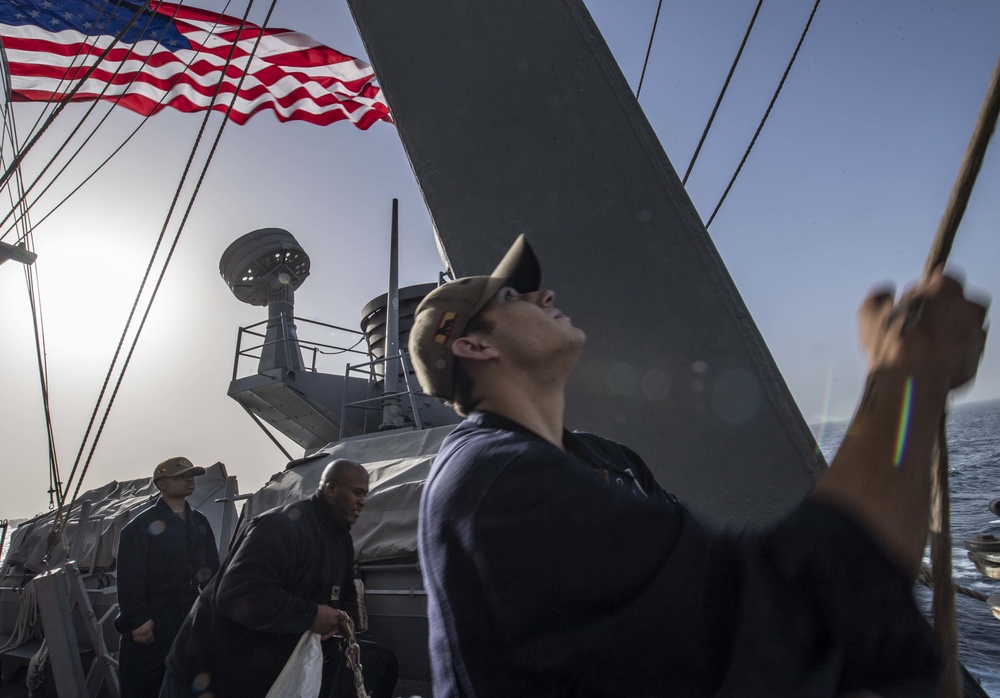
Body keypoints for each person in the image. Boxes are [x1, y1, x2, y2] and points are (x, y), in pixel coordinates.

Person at [407, 234, 989, 697]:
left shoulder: (600, 460)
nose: (546, 296)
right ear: (474, 347)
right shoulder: (491, 483)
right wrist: (911, 374)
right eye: (513, 297)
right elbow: (785, 613)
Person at [162, 458, 396, 698]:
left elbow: (345, 598)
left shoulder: (341, 541)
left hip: (257, 677)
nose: (363, 501)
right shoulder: (281, 527)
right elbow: (238, 594)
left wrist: (343, 630)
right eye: (357, 492)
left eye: (365, 494)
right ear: (331, 488)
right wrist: (312, 615)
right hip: (207, 674)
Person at [115, 456, 221, 698]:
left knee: (185, 681)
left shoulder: (199, 522)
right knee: (145, 685)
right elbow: (130, 577)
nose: (189, 480)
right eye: (181, 476)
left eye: (191, 475)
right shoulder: (139, 527)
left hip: (187, 617)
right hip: (152, 620)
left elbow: (211, 572)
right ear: (161, 484)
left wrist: (214, 607)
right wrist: (138, 619)